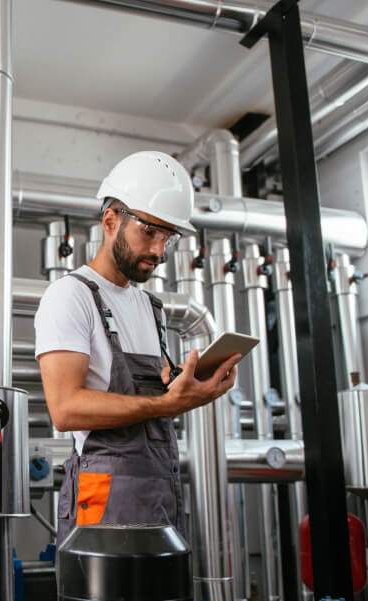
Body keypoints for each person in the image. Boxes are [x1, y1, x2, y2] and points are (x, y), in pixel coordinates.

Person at [34, 151, 240, 547]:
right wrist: (168, 405)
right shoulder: (70, 296)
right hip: (100, 492)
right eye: (149, 232)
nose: (160, 251)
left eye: (168, 237)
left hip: (158, 490)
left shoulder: (149, 306)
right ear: (110, 221)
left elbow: (150, 394)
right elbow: (65, 409)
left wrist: (182, 383)